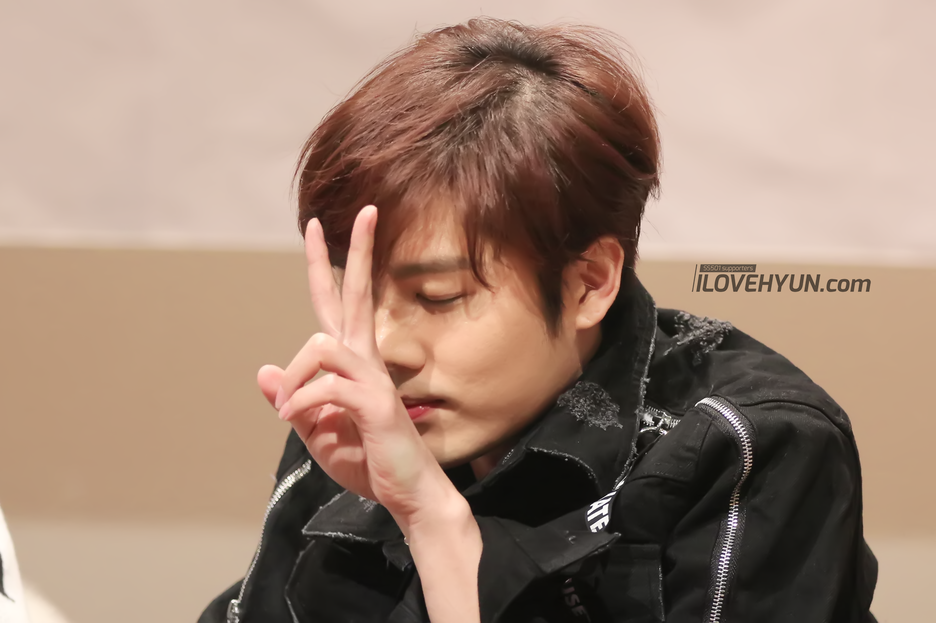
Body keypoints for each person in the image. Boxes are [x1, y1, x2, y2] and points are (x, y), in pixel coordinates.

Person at [199, 17, 877, 623]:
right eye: (357, 294)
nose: (381, 346)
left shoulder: (747, 445)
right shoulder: (362, 413)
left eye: (437, 295)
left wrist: (431, 520)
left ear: (589, 283)